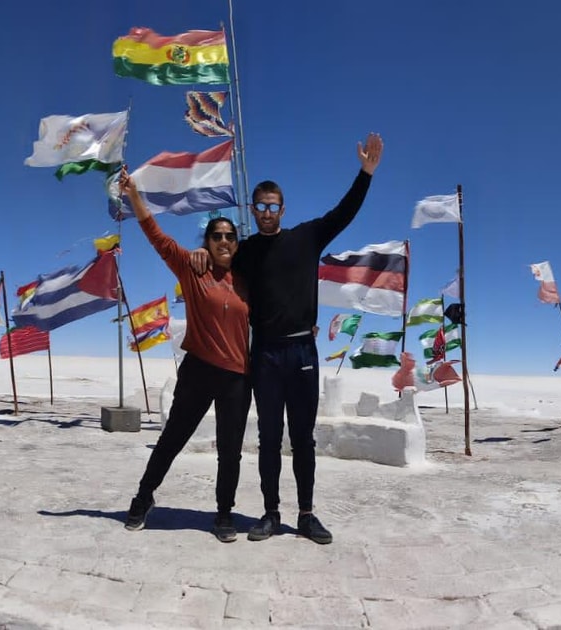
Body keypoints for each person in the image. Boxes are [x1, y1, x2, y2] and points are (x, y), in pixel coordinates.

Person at [192, 133, 384, 544]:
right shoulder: (245, 251)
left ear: (282, 209)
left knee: (302, 438)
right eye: (260, 207)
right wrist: (201, 253)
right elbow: (218, 259)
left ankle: (307, 514)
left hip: (302, 352)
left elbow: (344, 213)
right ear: (253, 210)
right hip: (264, 352)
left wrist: (365, 174)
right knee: (268, 439)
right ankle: (270, 513)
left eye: (273, 206)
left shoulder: (306, 237)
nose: (266, 213)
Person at [118, 166, 252, 543]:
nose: (223, 240)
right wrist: (134, 195)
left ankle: (223, 514)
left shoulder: (248, 279)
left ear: (237, 243)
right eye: (216, 236)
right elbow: (156, 236)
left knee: (230, 451)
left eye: (230, 236)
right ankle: (143, 498)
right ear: (207, 241)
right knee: (172, 439)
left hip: (237, 377)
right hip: (198, 372)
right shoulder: (193, 271)